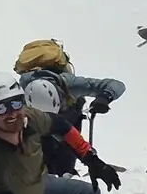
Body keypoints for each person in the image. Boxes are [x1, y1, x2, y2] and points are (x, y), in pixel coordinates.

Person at [13, 39, 127, 178]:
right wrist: (104, 98)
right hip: (67, 144)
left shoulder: (17, 90)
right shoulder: (69, 84)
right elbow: (116, 85)